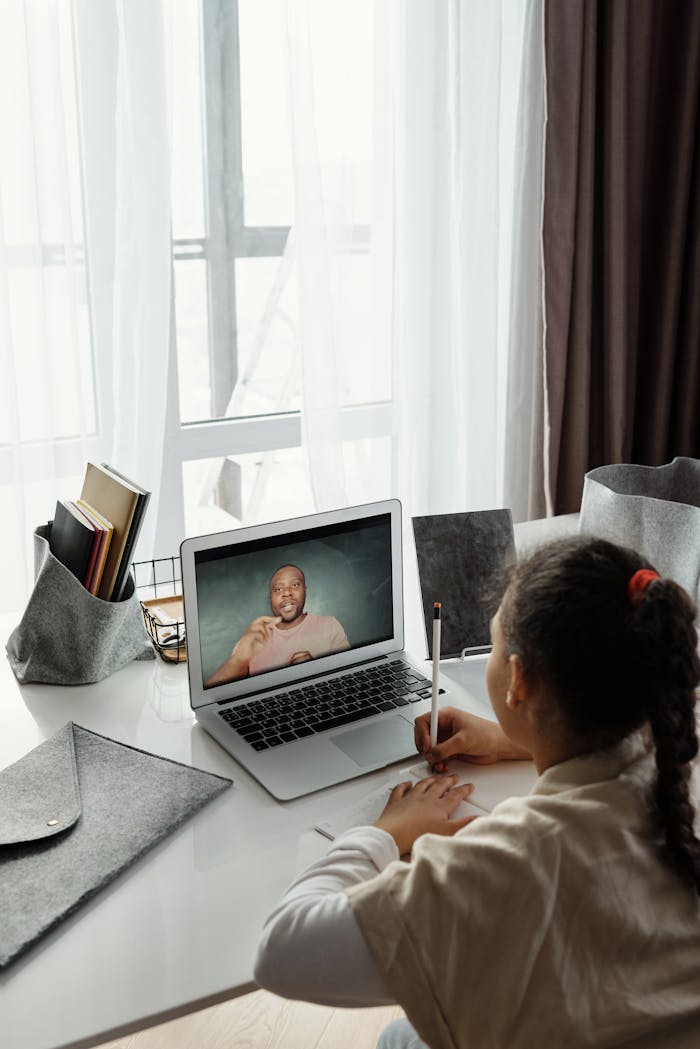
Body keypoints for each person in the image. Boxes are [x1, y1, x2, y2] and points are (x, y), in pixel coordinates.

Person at [254, 536, 700, 1048]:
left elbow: (282, 950)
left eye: (494, 643)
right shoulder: (682, 738)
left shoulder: (507, 863)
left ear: (518, 681)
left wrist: (385, 832)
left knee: (398, 1040)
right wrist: (514, 737)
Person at [204, 564, 350, 687]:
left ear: (305, 591)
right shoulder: (254, 637)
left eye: (295, 585)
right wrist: (239, 659)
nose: (287, 593)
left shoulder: (330, 625)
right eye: (278, 589)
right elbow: (214, 696)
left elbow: (348, 681)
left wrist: (313, 671)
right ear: (271, 598)